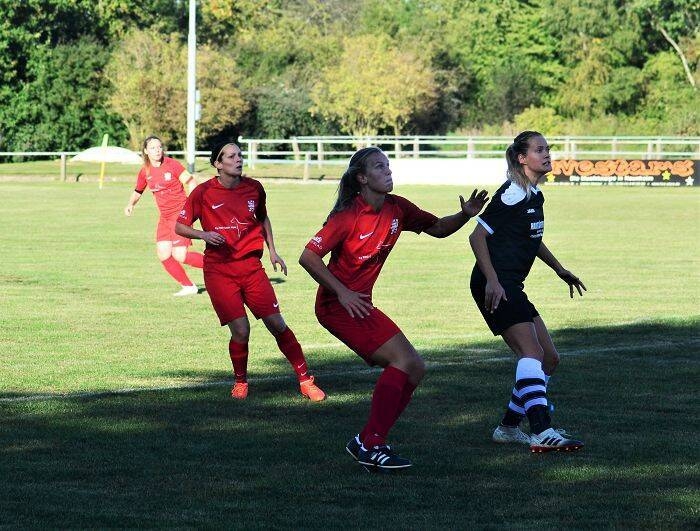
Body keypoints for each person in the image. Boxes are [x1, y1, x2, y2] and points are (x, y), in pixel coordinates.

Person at [299, 147, 488, 470]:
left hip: (359, 304)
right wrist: (343, 293)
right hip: (337, 306)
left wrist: (465, 215)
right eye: (379, 167)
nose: (387, 171)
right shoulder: (347, 216)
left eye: (387, 165)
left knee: (415, 368)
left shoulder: (396, 207)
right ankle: (371, 443)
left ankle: (368, 440)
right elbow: (308, 257)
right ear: (362, 178)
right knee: (404, 361)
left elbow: (438, 228)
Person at [175, 140, 326, 402]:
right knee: (241, 330)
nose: (238, 159)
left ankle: (305, 380)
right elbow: (180, 226)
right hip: (219, 271)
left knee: (277, 324)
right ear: (217, 164)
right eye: (230, 156)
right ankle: (240, 382)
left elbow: (263, 217)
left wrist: (273, 250)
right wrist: (204, 235)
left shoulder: (254, 188)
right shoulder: (203, 192)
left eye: (239, 155)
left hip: (252, 268)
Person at [468, 131, 586, 453]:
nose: (547, 154)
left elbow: (530, 237)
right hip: (496, 284)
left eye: (547, 149)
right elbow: (477, 237)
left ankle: (508, 428)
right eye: (539, 150)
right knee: (531, 354)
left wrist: (559, 268)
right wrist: (492, 280)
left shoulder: (533, 194)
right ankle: (541, 430)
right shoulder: (512, 193)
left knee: (549, 358)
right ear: (522, 158)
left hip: (510, 284)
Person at [124, 135, 203, 296]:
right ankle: (189, 286)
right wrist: (131, 204)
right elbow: (138, 191)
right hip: (165, 218)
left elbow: (191, 182)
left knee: (179, 254)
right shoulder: (145, 171)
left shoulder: (172, 165)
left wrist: (192, 204)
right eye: (153, 148)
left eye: (159, 147)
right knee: (163, 253)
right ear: (146, 151)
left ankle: (221, 265)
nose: (157, 150)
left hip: (180, 215)